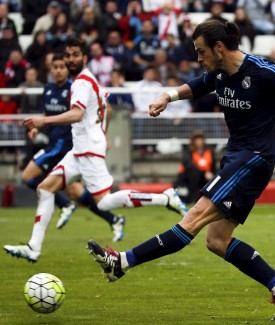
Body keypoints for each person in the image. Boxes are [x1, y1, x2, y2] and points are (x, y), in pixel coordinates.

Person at [86, 20, 275, 322]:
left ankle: (122, 262)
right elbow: (198, 85)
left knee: (192, 218)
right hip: (236, 157)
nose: (199, 59)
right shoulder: (219, 72)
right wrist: (166, 96)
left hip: (253, 159)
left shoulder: (264, 72)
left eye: (201, 52)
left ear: (219, 48)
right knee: (217, 241)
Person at [4, 38, 189, 263]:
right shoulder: (92, 80)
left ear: (84, 58)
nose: (70, 59)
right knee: (45, 188)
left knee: (104, 202)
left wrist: (43, 121)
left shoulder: (81, 83)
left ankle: (165, 198)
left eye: (75, 55)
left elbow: (77, 114)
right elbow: (108, 110)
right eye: (67, 55)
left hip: (88, 151)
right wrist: (103, 133)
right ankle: (33, 248)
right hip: (81, 149)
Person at [17, 53, 124, 237]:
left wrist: (102, 134)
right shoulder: (48, 89)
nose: (58, 71)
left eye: (62, 67)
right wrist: (36, 128)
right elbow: (46, 115)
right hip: (54, 144)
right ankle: (113, 219)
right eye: (55, 67)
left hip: (66, 146)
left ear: (67, 69)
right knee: (76, 192)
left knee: (28, 177)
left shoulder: (76, 88)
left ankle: (62, 208)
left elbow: (102, 109)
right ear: (50, 69)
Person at [175, 130, 216, 203]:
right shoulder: (188, 152)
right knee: (194, 173)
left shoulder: (209, 152)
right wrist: (204, 173)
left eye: (200, 139)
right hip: (188, 180)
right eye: (196, 139)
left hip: (205, 179)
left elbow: (213, 167)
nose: (198, 141)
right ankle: (192, 198)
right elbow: (189, 167)